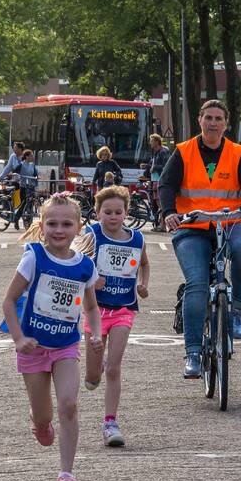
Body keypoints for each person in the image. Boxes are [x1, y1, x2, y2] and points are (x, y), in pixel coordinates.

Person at [157, 99, 241, 378]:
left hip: (231, 222)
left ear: (226, 124)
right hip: (192, 227)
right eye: (208, 117)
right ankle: (194, 354)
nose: (212, 123)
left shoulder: (237, 153)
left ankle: (238, 310)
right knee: (197, 283)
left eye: (218, 118)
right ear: (199, 120)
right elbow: (166, 184)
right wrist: (169, 212)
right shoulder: (183, 152)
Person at [0, 194, 103, 481]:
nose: (59, 229)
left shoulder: (84, 266)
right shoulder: (34, 257)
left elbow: (93, 308)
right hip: (33, 347)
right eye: (52, 223)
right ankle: (40, 423)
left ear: (79, 227)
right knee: (45, 417)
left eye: (66, 224)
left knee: (69, 405)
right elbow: (8, 301)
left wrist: (94, 333)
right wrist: (19, 339)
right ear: (42, 226)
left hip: (65, 346)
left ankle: (67, 474)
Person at [78, 186, 150, 447]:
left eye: (118, 212)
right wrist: (92, 280)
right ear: (97, 213)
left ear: (126, 213)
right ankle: (96, 369)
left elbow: (144, 264)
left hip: (123, 309)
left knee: (115, 367)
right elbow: (79, 265)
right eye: (107, 212)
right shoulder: (92, 235)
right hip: (96, 310)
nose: (113, 216)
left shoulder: (137, 239)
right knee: (92, 378)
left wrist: (143, 284)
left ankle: (110, 422)